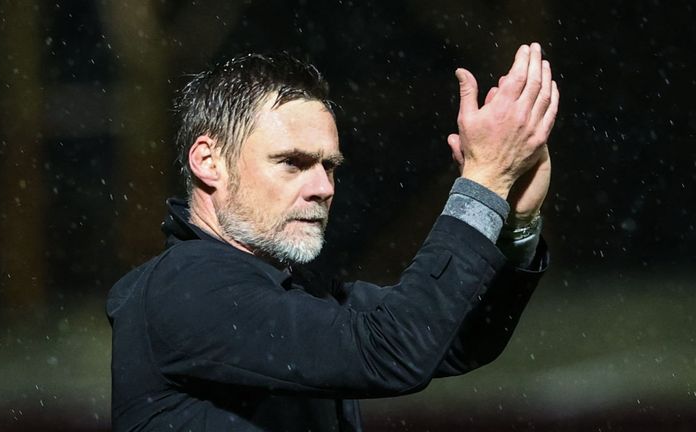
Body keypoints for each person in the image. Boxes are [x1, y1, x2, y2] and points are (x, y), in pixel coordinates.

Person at [108, 43, 559, 432]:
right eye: (292, 162)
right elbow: (391, 352)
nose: (323, 187)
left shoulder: (297, 292)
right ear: (208, 162)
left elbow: (455, 338)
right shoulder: (186, 286)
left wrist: (515, 222)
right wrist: (482, 185)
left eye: (329, 166)